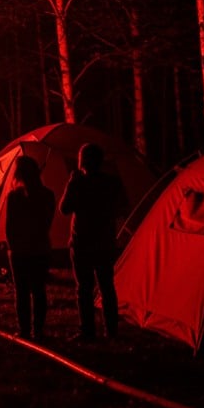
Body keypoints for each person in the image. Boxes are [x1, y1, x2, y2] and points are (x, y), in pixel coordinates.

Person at [59, 142, 127, 341]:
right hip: (104, 242)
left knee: (84, 288)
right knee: (107, 287)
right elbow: (122, 207)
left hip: (82, 242)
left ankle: (87, 331)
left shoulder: (78, 182)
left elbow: (64, 208)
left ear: (82, 161)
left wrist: (71, 184)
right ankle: (111, 331)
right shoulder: (112, 183)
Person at [4, 155, 55, 341]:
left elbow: (9, 227)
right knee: (39, 290)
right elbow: (48, 222)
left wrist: (12, 248)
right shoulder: (48, 195)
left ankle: (25, 330)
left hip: (20, 251)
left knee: (22, 292)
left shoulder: (14, 197)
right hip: (40, 248)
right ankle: (38, 330)